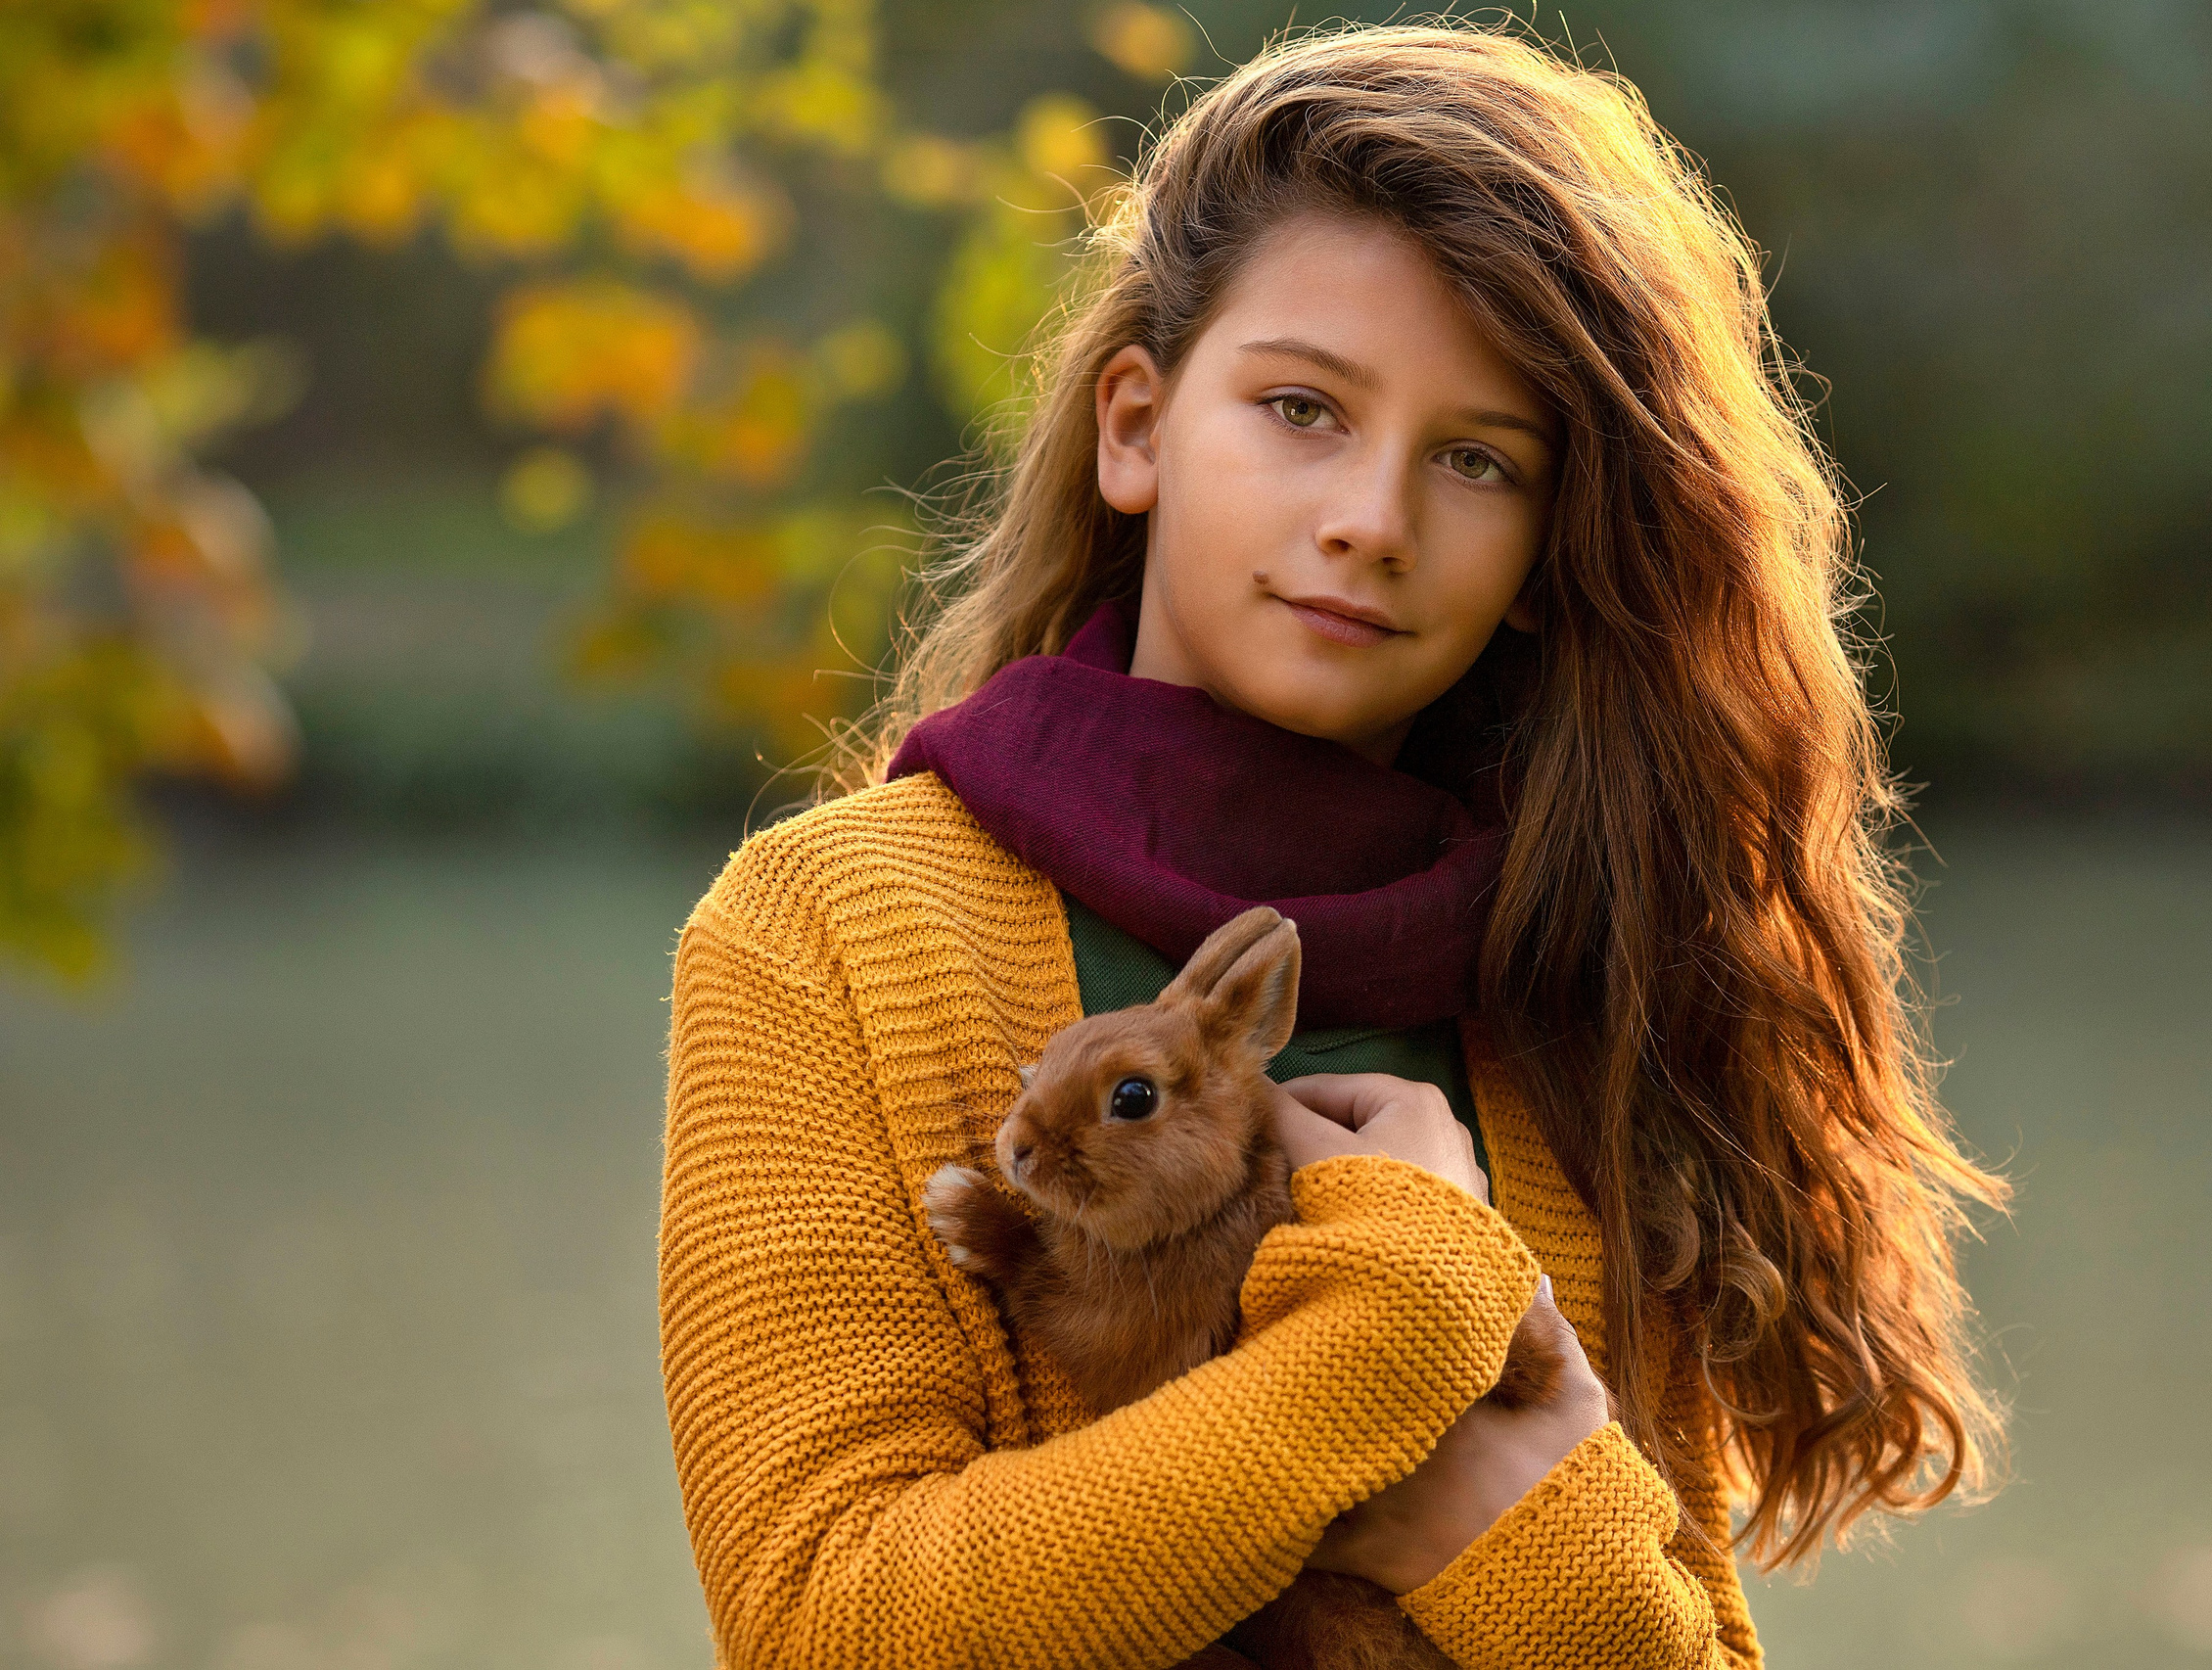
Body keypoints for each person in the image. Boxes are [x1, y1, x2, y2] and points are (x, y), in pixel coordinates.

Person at [657, 23, 2009, 1669]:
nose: (1376, 515)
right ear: (1138, 426)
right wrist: (1410, 1322)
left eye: (1475, 458)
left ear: (1541, 539)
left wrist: (1506, 1526)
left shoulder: (1577, 972)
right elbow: (827, 1625)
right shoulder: (831, 936)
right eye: (1303, 406)